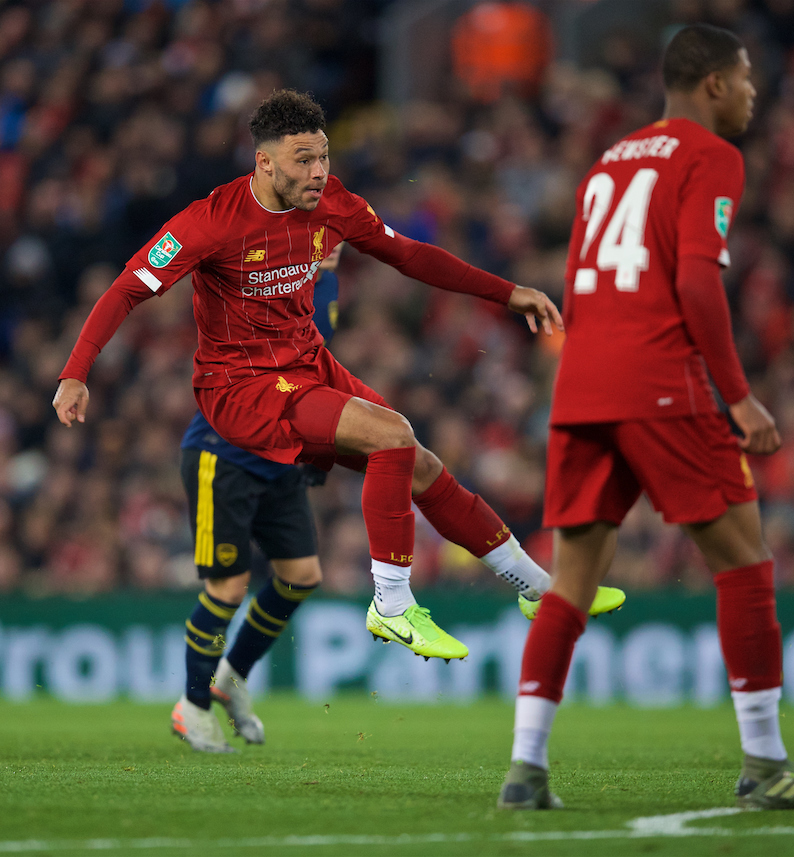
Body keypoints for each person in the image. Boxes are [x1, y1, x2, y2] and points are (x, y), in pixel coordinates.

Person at [53, 90, 625, 673]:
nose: (318, 171)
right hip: (241, 387)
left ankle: (537, 587)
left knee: (419, 463)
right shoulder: (211, 222)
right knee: (392, 436)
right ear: (265, 163)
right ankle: (392, 602)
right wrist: (76, 372)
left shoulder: (332, 203)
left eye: (323, 156)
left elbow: (409, 255)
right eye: (303, 159)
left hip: (306, 363)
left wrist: (507, 292)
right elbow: (128, 286)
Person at [497, 24, 794, 811]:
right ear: (711, 86)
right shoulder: (711, 155)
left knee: (571, 581)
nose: (753, 93)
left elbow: (579, 280)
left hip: (583, 384)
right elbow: (697, 284)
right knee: (744, 560)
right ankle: (766, 763)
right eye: (745, 79)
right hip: (660, 378)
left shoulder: (608, 162)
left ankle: (525, 766)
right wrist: (739, 396)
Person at [168, 246, 343, 754]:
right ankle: (193, 706)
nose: (331, 242)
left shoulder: (324, 285)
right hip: (222, 457)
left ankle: (231, 678)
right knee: (229, 586)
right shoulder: (267, 278)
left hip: (279, 458)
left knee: (302, 575)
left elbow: (312, 370)